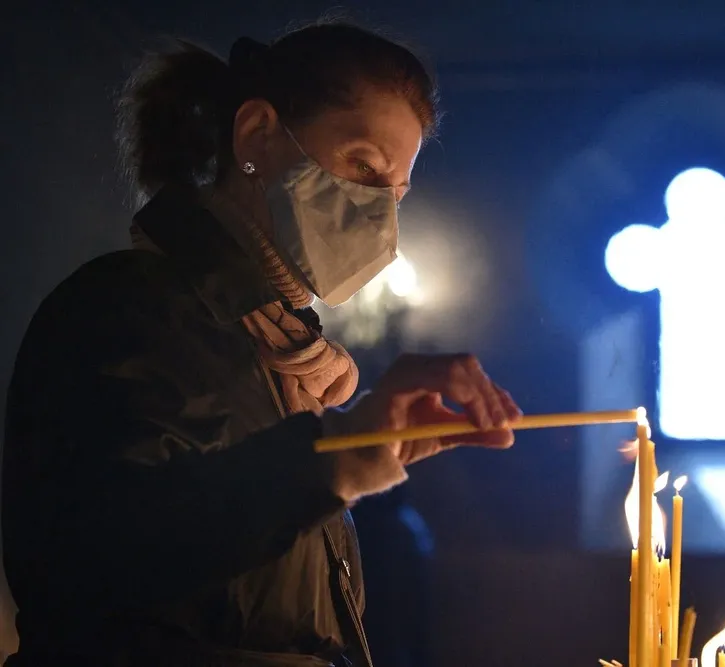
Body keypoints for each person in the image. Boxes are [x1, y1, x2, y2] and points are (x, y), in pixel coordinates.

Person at [1, 21, 522, 667]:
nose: (382, 217)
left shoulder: (290, 361)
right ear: (257, 139)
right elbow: (101, 555)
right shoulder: (128, 309)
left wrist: (352, 452)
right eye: (363, 166)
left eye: (398, 192)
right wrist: (333, 459)